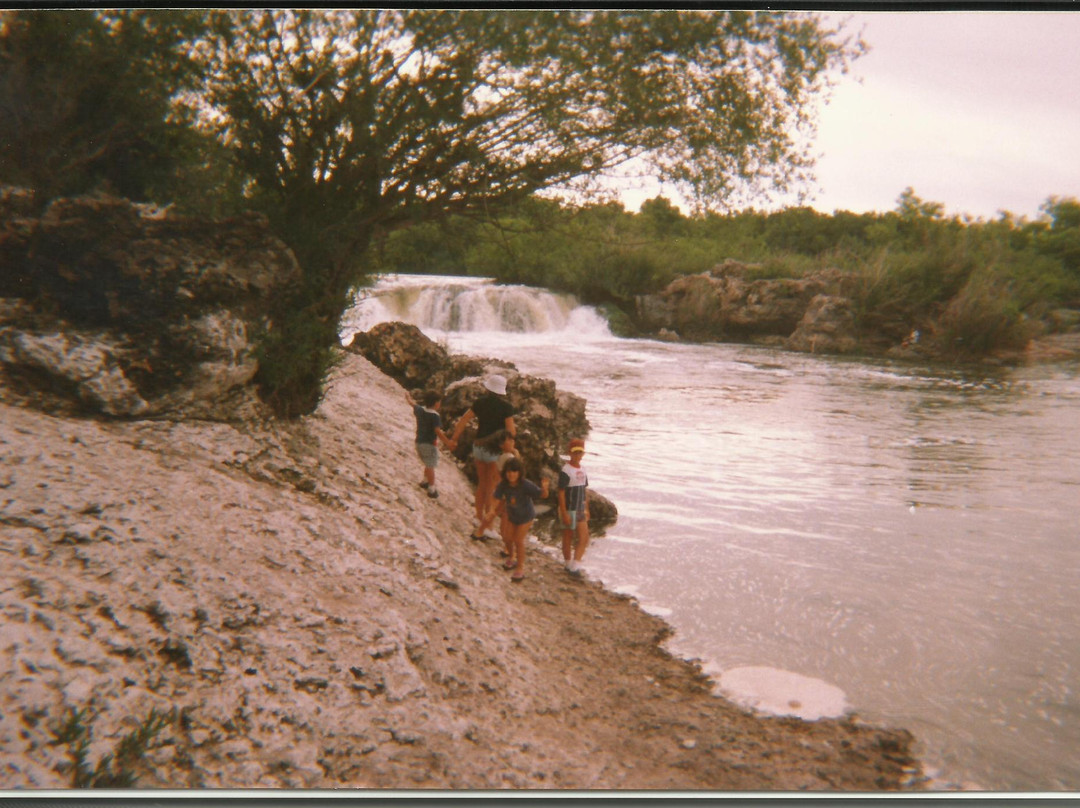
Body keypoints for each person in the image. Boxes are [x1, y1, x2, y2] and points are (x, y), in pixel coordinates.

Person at [449, 374, 515, 540]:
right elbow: (511, 431)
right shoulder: (506, 408)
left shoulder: (480, 403)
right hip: (495, 451)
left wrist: (454, 438)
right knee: (492, 488)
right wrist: (512, 451)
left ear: (488, 388)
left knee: (482, 484)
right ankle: (488, 526)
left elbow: (464, 420)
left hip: (478, 446)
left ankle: (478, 516)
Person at [477, 457, 548, 582]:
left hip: (526, 516)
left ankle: (520, 568)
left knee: (518, 540)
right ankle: (512, 557)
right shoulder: (503, 485)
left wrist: (545, 488)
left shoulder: (525, 484)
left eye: (514, 471)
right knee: (506, 538)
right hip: (512, 515)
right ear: (505, 473)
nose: (511, 474)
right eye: (509, 472)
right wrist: (492, 510)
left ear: (520, 472)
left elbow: (542, 495)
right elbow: (496, 498)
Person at [405, 389, 455, 499]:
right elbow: (437, 431)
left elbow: (412, 404)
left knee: (427, 463)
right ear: (437, 403)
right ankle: (432, 488)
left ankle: (425, 481)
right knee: (431, 465)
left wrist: (408, 396)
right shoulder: (435, 416)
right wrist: (448, 442)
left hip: (418, 442)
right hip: (429, 444)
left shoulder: (420, 410)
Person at [558, 438, 590, 575]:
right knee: (568, 537)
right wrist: (564, 512)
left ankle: (576, 563)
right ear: (569, 453)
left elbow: (584, 490)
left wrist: (586, 507)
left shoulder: (583, 469)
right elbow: (561, 492)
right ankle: (567, 562)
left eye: (580, 453)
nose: (577, 455)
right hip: (569, 508)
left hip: (580, 508)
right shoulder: (566, 470)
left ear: (583, 454)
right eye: (575, 452)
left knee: (584, 537)